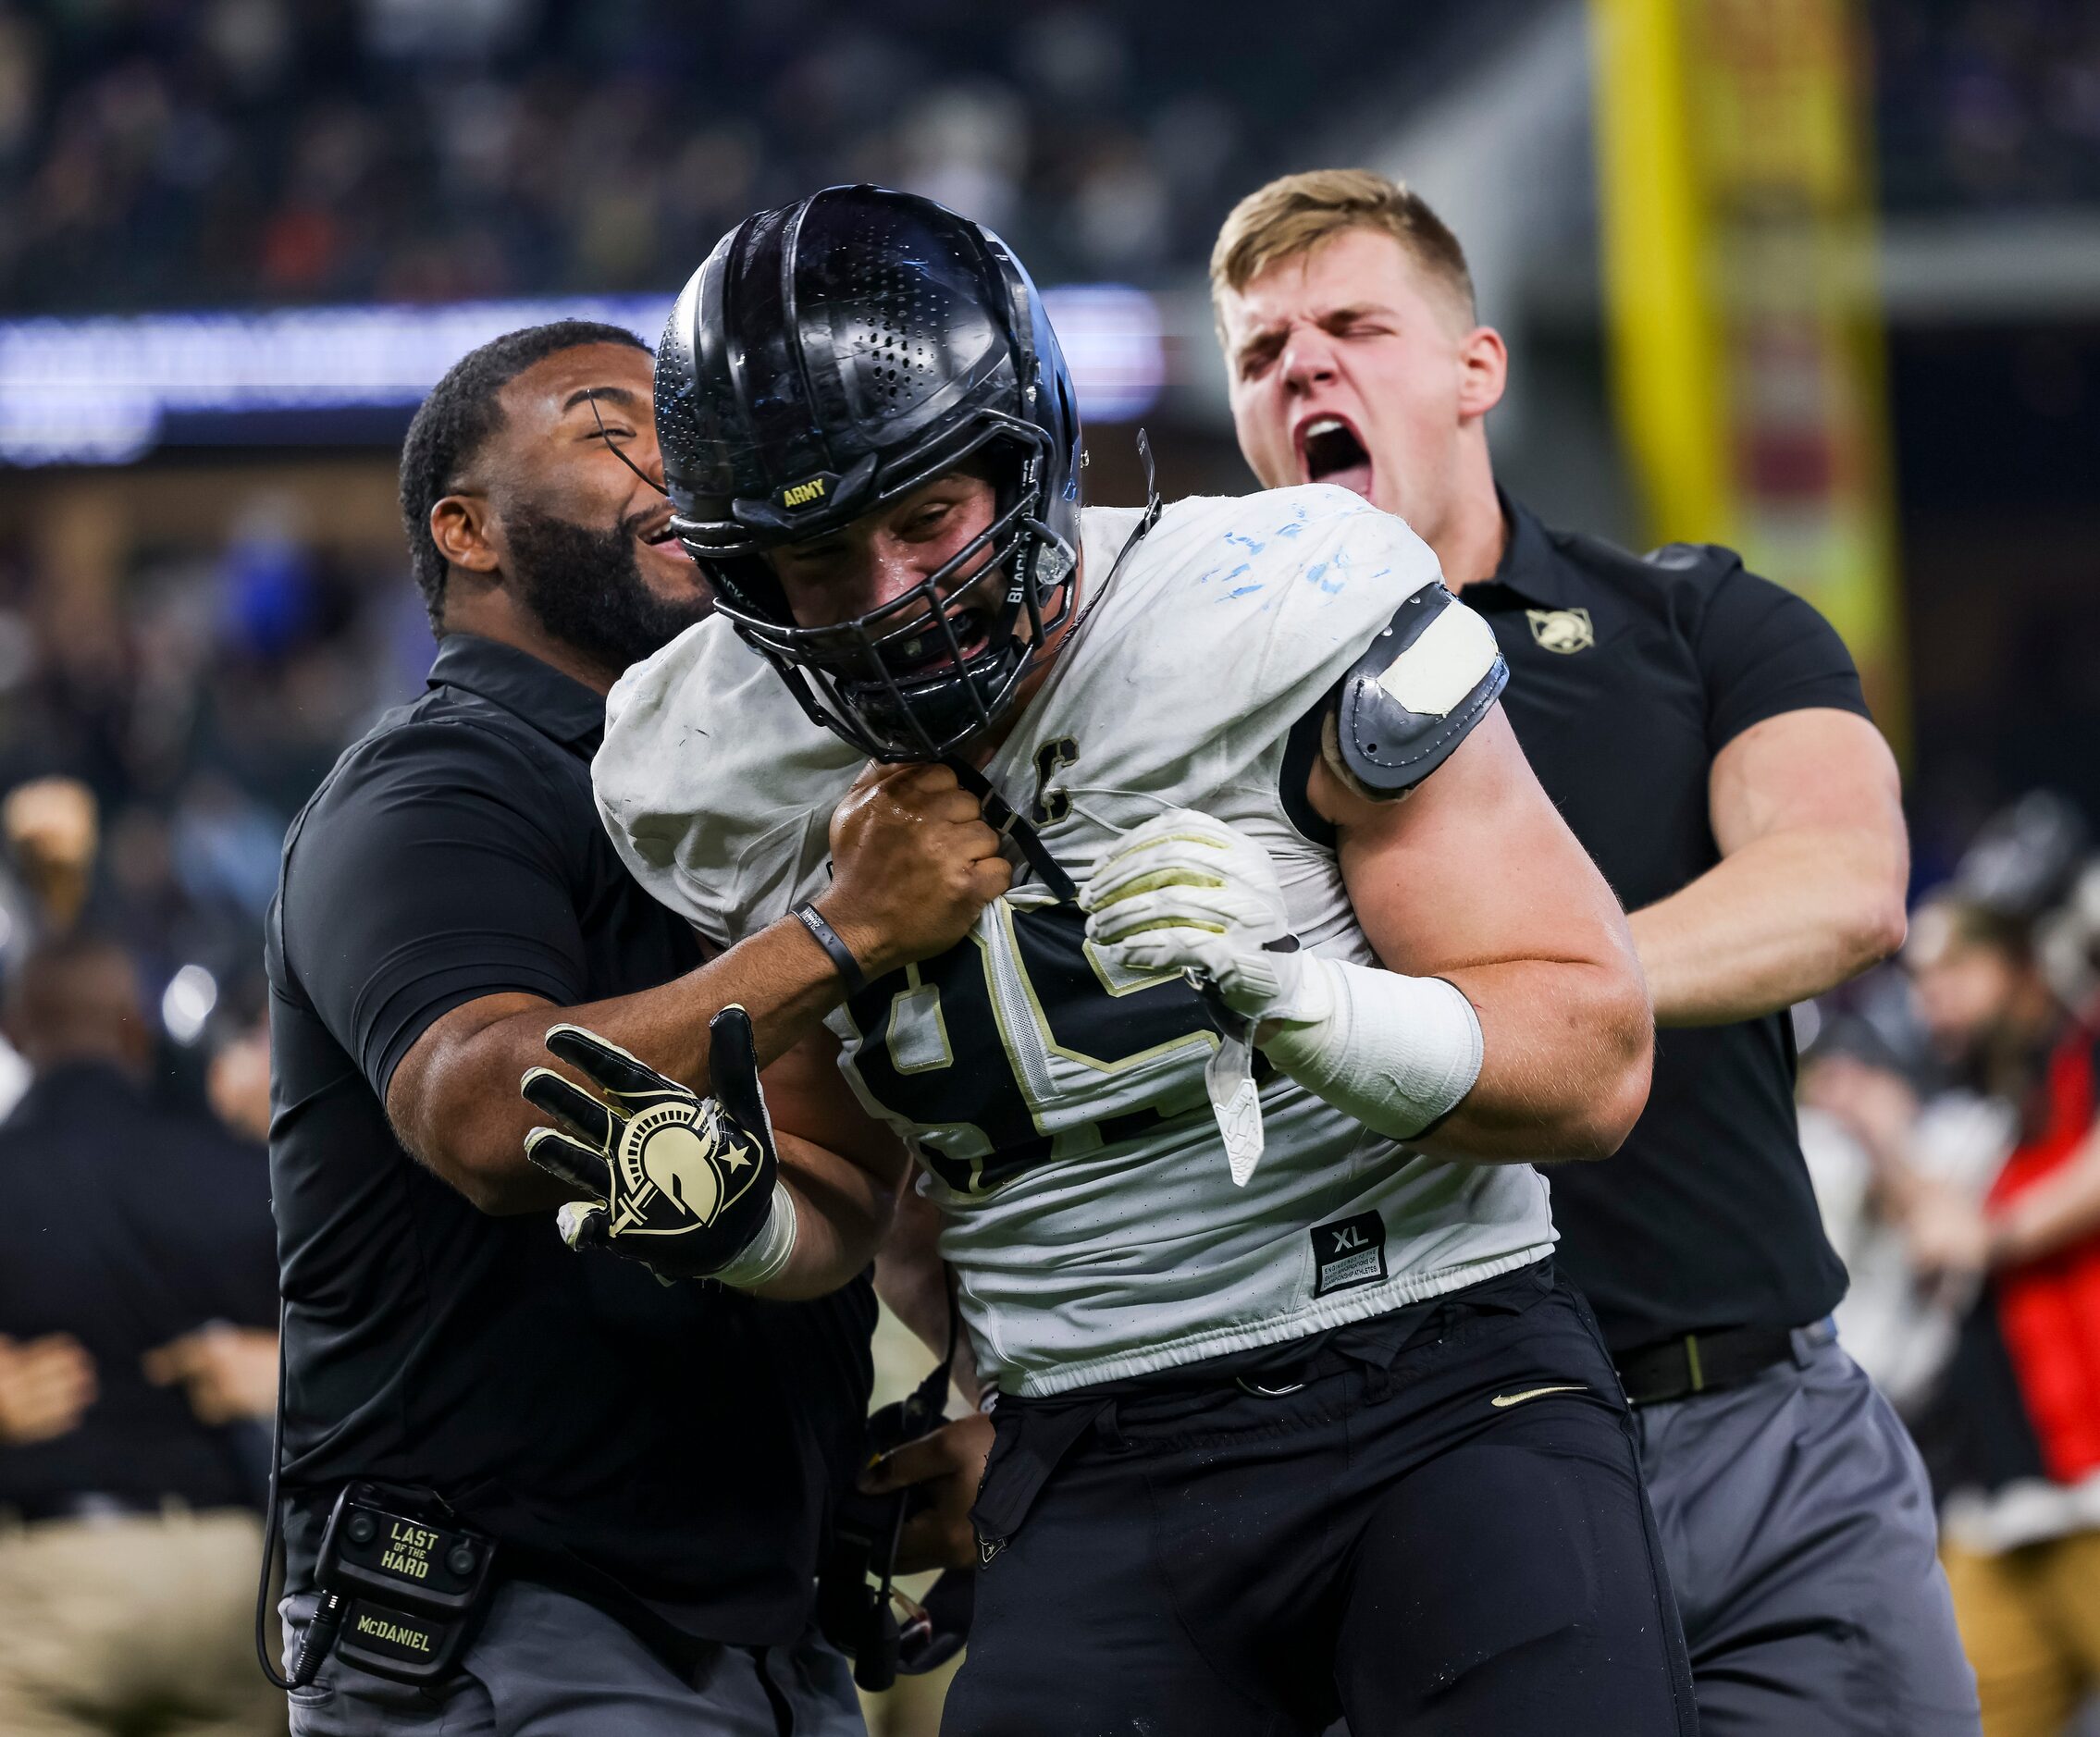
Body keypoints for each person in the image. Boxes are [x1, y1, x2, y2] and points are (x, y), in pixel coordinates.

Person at [582, 183, 1692, 1737]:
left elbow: (1591, 1055)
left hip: (1443, 1383)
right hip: (1092, 1444)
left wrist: (1308, 1001)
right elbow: (845, 1185)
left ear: (1029, 458)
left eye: (925, 520)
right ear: (740, 577)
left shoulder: (1274, 600)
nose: (892, 600)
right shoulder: (713, 759)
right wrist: (745, 1214)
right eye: (821, 562)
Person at [1209, 166, 1977, 1733]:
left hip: (1763, 1433)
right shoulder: (1190, 719)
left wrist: (1523, 1002)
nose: (1303, 367)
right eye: (1260, 350)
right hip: (1417, 1468)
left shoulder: (1694, 621)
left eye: (1352, 324)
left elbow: (1840, 882)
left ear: (1477, 367)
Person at [266, 319, 1007, 1734]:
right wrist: (845, 929)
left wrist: (949, 1432)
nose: (675, 455)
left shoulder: (745, 800)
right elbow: (486, 1112)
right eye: (610, 426)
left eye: (688, 428)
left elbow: (857, 1182)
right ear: (466, 530)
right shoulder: (433, 785)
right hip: (517, 1622)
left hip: (756, 1620)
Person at [0, 933, 283, 1737]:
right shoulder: (238, 1171)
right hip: (233, 1574)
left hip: (50, 1575)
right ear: (136, 1031)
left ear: (16, 1031)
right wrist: (291, 1368)